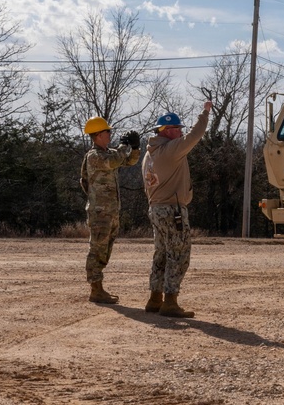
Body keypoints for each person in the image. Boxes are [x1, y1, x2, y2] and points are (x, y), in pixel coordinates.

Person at [141, 101, 211, 318]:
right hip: (173, 210)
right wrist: (205, 113)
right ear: (167, 130)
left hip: (155, 209)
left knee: (161, 254)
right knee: (179, 255)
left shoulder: (149, 155)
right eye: (178, 129)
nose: (181, 132)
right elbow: (195, 136)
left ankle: (155, 298)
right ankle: (170, 302)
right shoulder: (171, 150)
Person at [80, 117, 140, 304]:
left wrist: (135, 147)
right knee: (97, 249)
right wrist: (123, 145)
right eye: (108, 131)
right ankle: (95, 289)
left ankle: (98, 288)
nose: (110, 134)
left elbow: (129, 161)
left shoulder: (109, 153)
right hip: (100, 212)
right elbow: (113, 162)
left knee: (105, 249)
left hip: (111, 211)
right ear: (98, 135)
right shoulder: (94, 156)